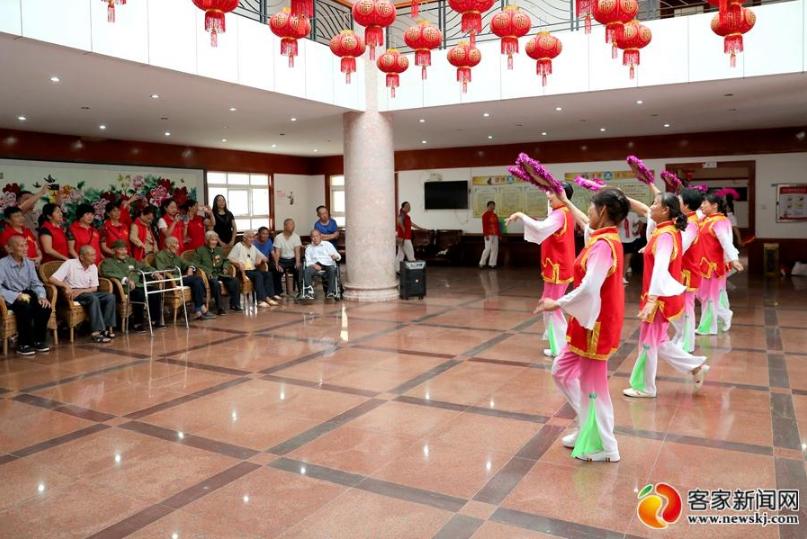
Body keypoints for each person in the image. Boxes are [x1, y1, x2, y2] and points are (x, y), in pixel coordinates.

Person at [535, 188, 629, 463]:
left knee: (594, 388)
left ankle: (606, 446)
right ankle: (588, 425)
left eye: (590, 207)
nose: (587, 212)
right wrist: (566, 201)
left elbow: (589, 288)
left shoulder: (603, 245)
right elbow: (585, 223)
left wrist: (557, 302)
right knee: (561, 371)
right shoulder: (602, 237)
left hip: (596, 325)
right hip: (587, 320)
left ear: (603, 211)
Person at [623, 190, 709, 399]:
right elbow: (643, 210)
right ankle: (695, 366)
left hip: (658, 297)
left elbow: (660, 268)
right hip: (658, 294)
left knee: (648, 342)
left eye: (655, 203)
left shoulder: (665, 235)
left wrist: (652, 300)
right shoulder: (665, 230)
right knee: (658, 341)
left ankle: (645, 387)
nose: (651, 206)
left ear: (665, 210)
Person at [507, 182, 575, 358]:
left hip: (558, 268)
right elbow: (545, 222)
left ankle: (562, 347)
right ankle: (556, 346)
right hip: (556, 266)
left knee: (552, 307)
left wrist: (521, 214)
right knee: (548, 306)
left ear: (562, 196)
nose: (548, 196)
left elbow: (540, 228)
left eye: (552, 193)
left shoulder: (560, 214)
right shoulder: (563, 212)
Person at [696, 193, 743, 335]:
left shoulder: (719, 221)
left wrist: (733, 258)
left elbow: (726, 241)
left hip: (713, 266)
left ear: (714, 205)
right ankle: (724, 314)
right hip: (702, 263)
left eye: (704, 203)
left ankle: (709, 326)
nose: (702, 206)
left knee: (708, 296)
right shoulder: (705, 219)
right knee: (703, 294)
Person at [49, 245, 116, 343]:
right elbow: (52, 279)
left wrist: (81, 291)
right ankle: (96, 332)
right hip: (72, 293)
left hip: (85, 292)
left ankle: (105, 328)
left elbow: (94, 288)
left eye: (95, 255)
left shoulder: (93, 267)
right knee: (93, 298)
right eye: (91, 255)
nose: (94, 257)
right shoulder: (70, 264)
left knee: (110, 297)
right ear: (82, 257)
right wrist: (66, 286)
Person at [0, 235, 52, 355]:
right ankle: (24, 344)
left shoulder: (29, 263)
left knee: (45, 307)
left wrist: (41, 296)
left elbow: (36, 284)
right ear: (10, 249)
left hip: (27, 294)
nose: (25, 248)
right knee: (25, 307)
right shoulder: (2, 264)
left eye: (26, 245)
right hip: (10, 296)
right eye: (21, 246)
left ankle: (39, 341)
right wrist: (15, 296)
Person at [100, 240, 164, 332]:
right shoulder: (108, 262)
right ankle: (138, 323)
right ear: (113, 251)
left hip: (138, 285)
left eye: (125, 249)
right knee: (139, 294)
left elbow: (144, 267)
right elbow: (107, 273)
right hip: (123, 289)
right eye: (121, 249)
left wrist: (154, 273)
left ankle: (155, 320)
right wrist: (126, 279)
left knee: (155, 291)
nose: (124, 252)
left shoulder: (131, 261)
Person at [671, 188, 705, 352]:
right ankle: (682, 338)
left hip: (687, 272)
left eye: (679, 200)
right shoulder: (687, 219)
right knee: (682, 307)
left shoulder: (691, 224)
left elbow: (681, 247)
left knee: (686, 307)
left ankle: (687, 342)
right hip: (684, 269)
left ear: (686, 205)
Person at [155, 236, 215, 320]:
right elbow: (162, 272)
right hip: (171, 281)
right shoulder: (160, 256)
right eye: (176, 244)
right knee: (197, 280)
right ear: (168, 245)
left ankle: (198, 310)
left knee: (197, 281)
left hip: (180, 279)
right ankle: (201, 308)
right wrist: (180, 276)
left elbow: (189, 263)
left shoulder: (175, 256)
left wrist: (190, 268)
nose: (178, 246)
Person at [192, 231, 241, 315]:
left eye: (215, 240)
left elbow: (226, 260)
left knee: (235, 280)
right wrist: (207, 271)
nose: (214, 242)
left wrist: (225, 267)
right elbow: (195, 263)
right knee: (215, 283)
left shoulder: (219, 250)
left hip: (220, 273)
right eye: (212, 240)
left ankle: (235, 304)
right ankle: (220, 308)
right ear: (207, 240)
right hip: (209, 276)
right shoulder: (200, 250)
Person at [227, 230, 279, 307]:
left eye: (253, 238)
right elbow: (229, 258)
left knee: (268, 274)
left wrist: (260, 259)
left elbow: (266, 259)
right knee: (258, 275)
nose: (252, 239)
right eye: (250, 237)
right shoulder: (239, 246)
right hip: (243, 270)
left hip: (253, 269)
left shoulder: (253, 247)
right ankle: (260, 300)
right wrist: (238, 264)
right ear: (244, 238)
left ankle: (268, 296)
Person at [302, 229, 341, 300]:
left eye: (317, 236)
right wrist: (314, 265)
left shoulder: (328, 244)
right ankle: (308, 292)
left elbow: (338, 255)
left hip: (328, 264)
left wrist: (336, 257)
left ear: (320, 236)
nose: (315, 238)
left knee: (332, 269)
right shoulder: (309, 248)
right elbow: (308, 262)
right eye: (313, 236)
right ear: (311, 238)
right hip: (315, 265)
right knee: (307, 270)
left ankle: (330, 292)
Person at [273, 218, 303, 295]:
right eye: (291, 224)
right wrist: (277, 264)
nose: (293, 226)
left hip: (293, 260)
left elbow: (297, 252)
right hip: (282, 260)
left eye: (293, 224)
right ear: (285, 226)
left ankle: (301, 291)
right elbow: (277, 252)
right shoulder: (278, 237)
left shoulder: (296, 236)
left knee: (299, 269)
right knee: (276, 270)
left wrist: (297, 262)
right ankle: (278, 292)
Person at [255, 226, 283, 298]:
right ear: (259, 234)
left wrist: (277, 264)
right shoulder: (254, 242)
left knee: (277, 270)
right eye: (263, 233)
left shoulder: (269, 241)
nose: (265, 236)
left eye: (267, 234)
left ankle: (277, 292)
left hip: (266, 262)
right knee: (268, 273)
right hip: (257, 263)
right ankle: (268, 293)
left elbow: (273, 253)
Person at [619, 210, 644, 284]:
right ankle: (621, 277)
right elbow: (641, 223)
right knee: (622, 260)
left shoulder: (630, 214)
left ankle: (622, 277)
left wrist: (637, 232)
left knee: (626, 259)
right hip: (621, 240)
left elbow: (641, 223)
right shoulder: (618, 214)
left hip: (628, 240)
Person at [478, 201, 501, 269]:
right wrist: (486, 234)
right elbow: (484, 225)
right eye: (491, 205)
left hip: (495, 234)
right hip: (488, 234)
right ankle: (482, 263)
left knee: (495, 249)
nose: (492, 207)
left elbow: (497, 225)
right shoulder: (485, 215)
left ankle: (492, 264)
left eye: (493, 205)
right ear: (488, 206)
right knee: (487, 249)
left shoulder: (495, 215)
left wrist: (499, 234)